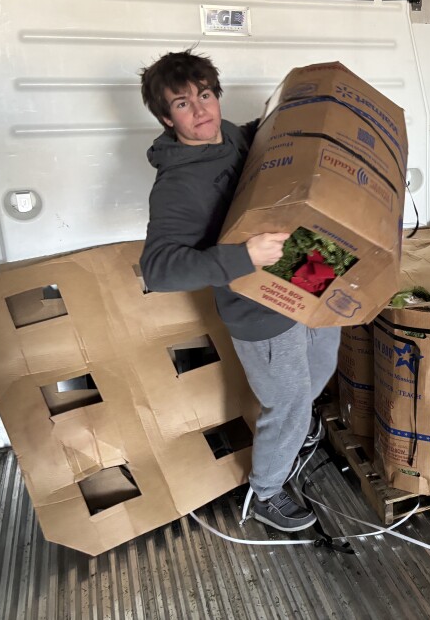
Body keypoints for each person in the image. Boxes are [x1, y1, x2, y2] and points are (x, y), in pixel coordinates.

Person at [138, 49, 338, 532]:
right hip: (255, 304)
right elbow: (158, 269)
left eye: (205, 95)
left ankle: (302, 428)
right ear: (167, 118)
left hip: (303, 266)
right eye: (183, 104)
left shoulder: (231, 137)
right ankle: (267, 492)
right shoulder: (176, 185)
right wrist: (241, 258)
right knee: (286, 402)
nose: (201, 110)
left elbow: (263, 141)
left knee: (325, 362)